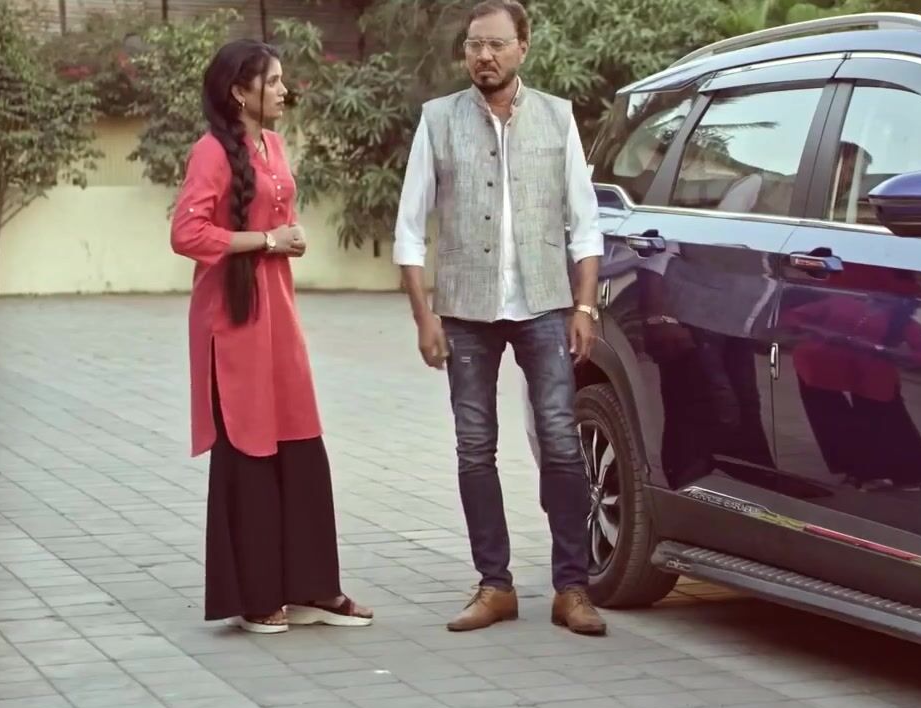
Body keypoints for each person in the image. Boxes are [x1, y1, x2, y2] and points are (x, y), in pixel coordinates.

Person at [392, 0, 606, 636]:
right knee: (474, 446)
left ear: (522, 48)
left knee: (561, 441)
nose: (483, 56)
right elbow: (409, 229)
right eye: (473, 45)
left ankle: (572, 588)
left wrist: (584, 305)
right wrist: (423, 316)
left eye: (496, 44)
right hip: (465, 310)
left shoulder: (558, 117)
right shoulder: (438, 120)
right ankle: (495, 585)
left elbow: (585, 223)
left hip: (544, 304)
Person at [169, 39, 372, 633]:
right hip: (232, 320)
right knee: (249, 444)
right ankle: (257, 596)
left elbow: (274, 221)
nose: (285, 90)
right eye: (274, 81)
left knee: (301, 438)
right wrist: (265, 241)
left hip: (279, 314)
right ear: (240, 91)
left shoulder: (274, 144)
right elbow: (186, 233)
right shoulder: (210, 152)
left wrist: (289, 236)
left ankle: (315, 588)